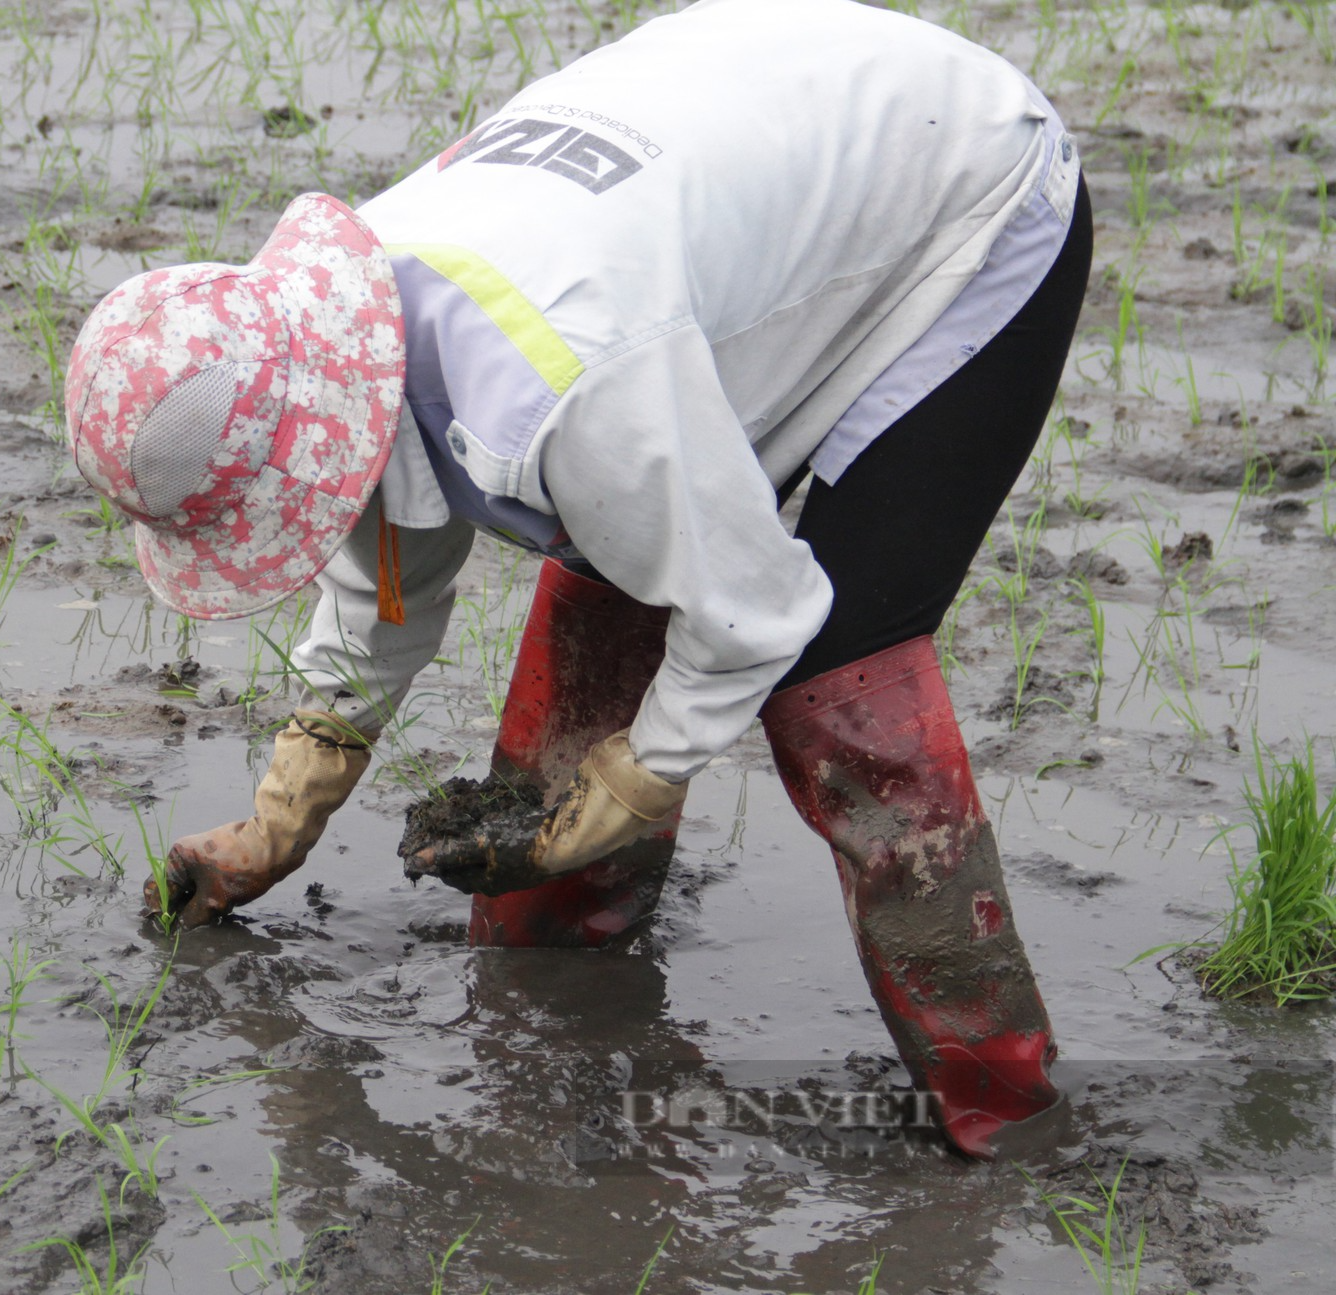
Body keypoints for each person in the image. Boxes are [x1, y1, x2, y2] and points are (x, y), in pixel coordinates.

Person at [62, 0, 1091, 1158]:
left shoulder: (563, 382)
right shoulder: (334, 333)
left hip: (956, 182)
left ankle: (1001, 1103)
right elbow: (388, 570)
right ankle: (554, 966)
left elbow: (752, 613)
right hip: (749, 167)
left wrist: (631, 782)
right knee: (615, 551)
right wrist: (277, 815)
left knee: (836, 666)